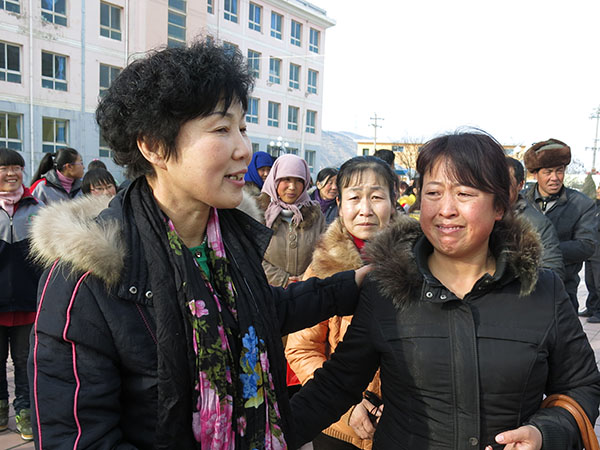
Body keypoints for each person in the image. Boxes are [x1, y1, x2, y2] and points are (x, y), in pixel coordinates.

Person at [28, 39, 369, 449]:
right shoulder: (88, 278)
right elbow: (77, 438)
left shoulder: (230, 242)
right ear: (154, 146)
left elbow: (261, 310)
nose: (244, 149)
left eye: (243, 128)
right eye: (222, 129)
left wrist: (354, 285)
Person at [291, 131, 600, 450]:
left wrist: (544, 433)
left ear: (498, 205)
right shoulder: (387, 288)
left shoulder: (542, 290)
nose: (446, 209)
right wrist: (268, 436)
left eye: (464, 193)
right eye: (433, 193)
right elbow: (335, 386)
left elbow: (582, 385)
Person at [286, 156, 399, 450]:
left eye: (376, 197)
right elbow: (301, 348)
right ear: (339, 204)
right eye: (354, 198)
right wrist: (351, 407)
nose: (365, 210)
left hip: (403, 426)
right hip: (338, 426)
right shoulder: (324, 266)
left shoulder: (419, 265)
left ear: (394, 200)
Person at [523, 139, 597, 312]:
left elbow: (587, 245)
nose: (555, 178)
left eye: (560, 171)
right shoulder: (520, 201)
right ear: (535, 174)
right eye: (548, 172)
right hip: (520, 287)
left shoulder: (581, 204)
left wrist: (542, 249)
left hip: (563, 289)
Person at [0, 148, 42, 441]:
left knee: (25, 361)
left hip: (28, 302)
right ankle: (1, 408)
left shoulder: (36, 207)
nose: (12, 173)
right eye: (4, 168)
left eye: (17, 167)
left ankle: (25, 411)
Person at [258, 154, 326, 287]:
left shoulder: (315, 215)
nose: (292, 187)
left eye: (299, 180)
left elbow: (325, 252)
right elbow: (250, 254)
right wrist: (283, 280)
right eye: (286, 179)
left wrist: (305, 278)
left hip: (306, 290)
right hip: (268, 291)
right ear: (275, 180)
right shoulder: (259, 212)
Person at [506, 157, 565, 281]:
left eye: (505, 183)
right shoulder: (477, 216)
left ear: (520, 185)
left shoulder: (537, 224)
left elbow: (553, 273)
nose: (497, 188)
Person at [584, 184, 600, 322]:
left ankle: (599, 312)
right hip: (591, 251)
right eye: (599, 188)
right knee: (590, 282)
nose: (598, 191)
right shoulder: (594, 207)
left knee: (599, 283)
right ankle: (591, 308)